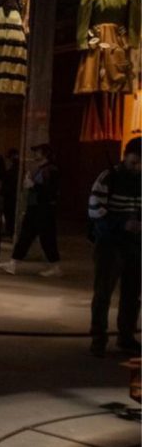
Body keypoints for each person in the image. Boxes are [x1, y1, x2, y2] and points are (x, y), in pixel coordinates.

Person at [87, 138, 141, 357]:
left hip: (135, 244)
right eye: (134, 162)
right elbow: (95, 210)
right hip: (110, 244)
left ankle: (126, 336)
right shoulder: (108, 177)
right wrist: (121, 224)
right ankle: (98, 336)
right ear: (125, 156)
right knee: (103, 292)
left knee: (132, 292)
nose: (138, 167)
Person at [0, 143, 61, 277]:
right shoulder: (41, 169)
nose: (35, 154)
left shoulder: (51, 170)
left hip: (44, 209)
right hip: (35, 207)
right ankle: (13, 263)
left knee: (46, 238)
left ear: (45, 154)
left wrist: (33, 185)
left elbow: (51, 191)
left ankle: (55, 267)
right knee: (26, 236)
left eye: (38, 151)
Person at [1, 147, 20, 237]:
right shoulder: (13, 167)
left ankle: (10, 230)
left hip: (11, 193)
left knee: (10, 213)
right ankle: (9, 230)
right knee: (9, 213)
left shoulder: (14, 168)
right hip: (10, 192)